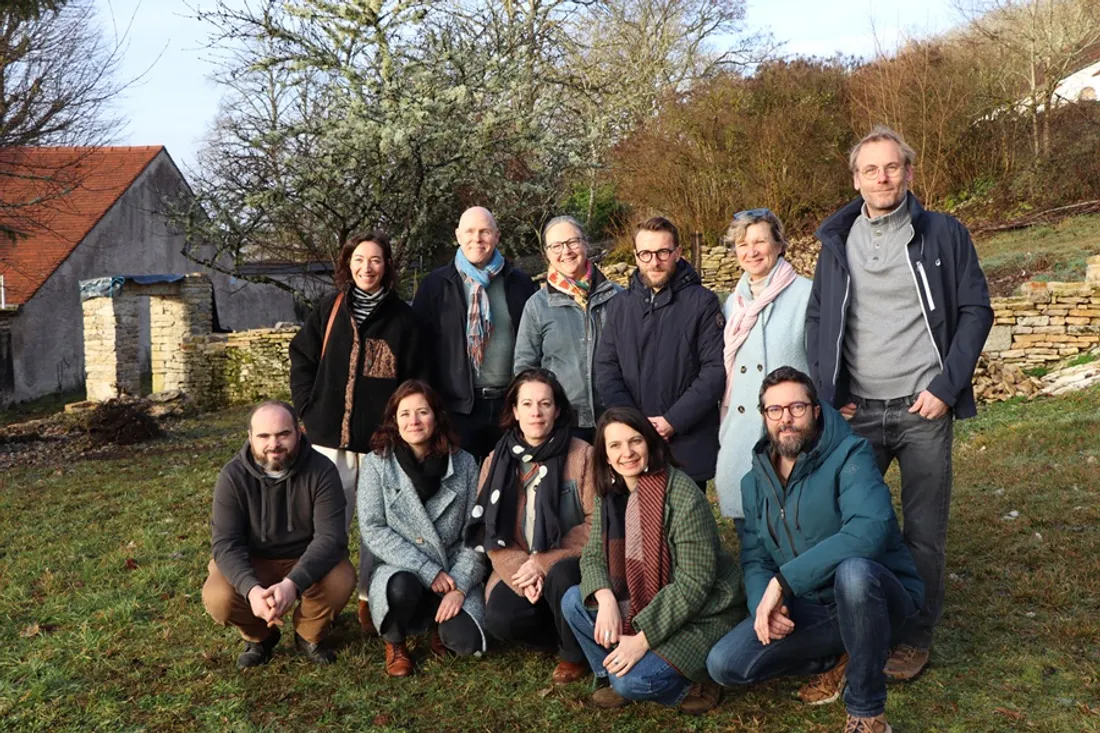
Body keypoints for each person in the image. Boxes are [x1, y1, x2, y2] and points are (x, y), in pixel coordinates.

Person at [807, 125, 993, 680]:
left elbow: (975, 312)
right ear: (856, 178)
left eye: (892, 168)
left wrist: (945, 388)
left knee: (922, 531)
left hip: (921, 410)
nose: (882, 178)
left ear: (909, 173)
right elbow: (819, 317)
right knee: (841, 520)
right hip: (857, 412)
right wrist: (827, 393)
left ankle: (914, 635)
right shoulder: (836, 243)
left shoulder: (943, 234)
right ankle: (847, 624)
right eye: (871, 169)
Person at [706, 367, 924, 733]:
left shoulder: (851, 455)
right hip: (811, 608)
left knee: (853, 572)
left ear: (816, 410)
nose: (785, 419)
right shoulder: (754, 482)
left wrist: (784, 581)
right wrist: (768, 603)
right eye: (774, 410)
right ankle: (847, 653)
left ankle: (867, 711)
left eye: (797, 407)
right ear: (764, 416)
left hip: (875, 597)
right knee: (725, 664)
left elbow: (868, 532)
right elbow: (756, 555)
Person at [560, 406, 746, 713]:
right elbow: (593, 554)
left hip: (702, 613)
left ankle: (694, 681)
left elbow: (694, 584)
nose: (627, 453)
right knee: (573, 601)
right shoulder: (609, 495)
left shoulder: (682, 494)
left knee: (633, 682)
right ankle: (615, 669)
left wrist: (643, 639)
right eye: (615, 445)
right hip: (641, 601)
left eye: (635, 441)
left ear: (649, 443)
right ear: (605, 456)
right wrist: (605, 597)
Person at [289, 230, 429, 634]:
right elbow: (302, 358)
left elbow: (417, 383)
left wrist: (401, 432)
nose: (367, 268)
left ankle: (371, 601)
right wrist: (307, 408)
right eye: (359, 260)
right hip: (327, 441)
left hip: (381, 445)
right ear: (347, 265)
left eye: (376, 260)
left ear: (387, 267)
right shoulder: (329, 310)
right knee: (327, 525)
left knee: (376, 529)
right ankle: (321, 605)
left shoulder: (405, 320)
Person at [465, 368, 595, 686]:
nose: (536, 412)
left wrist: (545, 561)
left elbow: (596, 522)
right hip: (518, 565)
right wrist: (524, 570)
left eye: (545, 404)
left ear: (558, 409)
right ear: (514, 410)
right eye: (527, 404)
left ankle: (572, 654)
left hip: (568, 561)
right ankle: (551, 634)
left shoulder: (582, 455)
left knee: (563, 575)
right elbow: (490, 530)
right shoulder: (495, 461)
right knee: (501, 620)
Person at [202, 401, 355, 669]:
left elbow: (331, 539)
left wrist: (292, 583)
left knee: (341, 579)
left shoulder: (322, 471)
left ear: (299, 432)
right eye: (263, 436)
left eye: (283, 434)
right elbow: (226, 544)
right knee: (218, 597)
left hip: (306, 559)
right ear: (250, 437)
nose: (274, 444)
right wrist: (251, 590)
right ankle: (260, 638)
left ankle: (308, 634)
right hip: (255, 561)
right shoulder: (232, 476)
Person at [358, 380, 487, 676]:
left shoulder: (465, 463)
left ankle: (437, 626)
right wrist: (428, 571)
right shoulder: (376, 464)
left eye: (422, 412)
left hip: (452, 571)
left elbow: (476, 532)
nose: (413, 421)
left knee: (465, 642)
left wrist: (461, 585)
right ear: (394, 420)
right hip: (402, 567)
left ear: (436, 417)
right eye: (404, 414)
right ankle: (395, 641)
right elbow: (373, 528)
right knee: (400, 588)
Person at [594, 216, 725, 490]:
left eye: (663, 252)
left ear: (677, 252)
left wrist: (671, 421)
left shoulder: (702, 303)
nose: (654, 262)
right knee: (636, 527)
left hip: (686, 443)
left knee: (686, 527)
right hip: (633, 446)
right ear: (635, 256)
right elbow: (607, 369)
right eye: (646, 253)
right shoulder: (619, 307)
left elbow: (713, 371)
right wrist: (634, 425)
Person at [412, 206, 538, 464]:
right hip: (457, 409)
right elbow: (420, 350)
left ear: (497, 236)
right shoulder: (435, 285)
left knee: (508, 488)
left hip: (509, 405)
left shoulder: (519, 282)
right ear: (458, 235)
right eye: (469, 231)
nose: (477, 239)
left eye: (484, 232)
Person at [714, 208, 812, 534]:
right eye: (743, 244)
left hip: (789, 425)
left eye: (760, 241)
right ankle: (758, 583)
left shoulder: (806, 294)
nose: (751, 251)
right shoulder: (733, 305)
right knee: (750, 527)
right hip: (741, 429)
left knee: (794, 524)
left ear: (779, 244)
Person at [513, 215, 623, 443]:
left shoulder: (619, 297)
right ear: (546, 253)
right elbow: (525, 367)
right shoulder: (537, 305)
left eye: (573, 242)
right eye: (556, 246)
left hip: (615, 418)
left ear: (585, 243)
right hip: (563, 423)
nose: (566, 251)